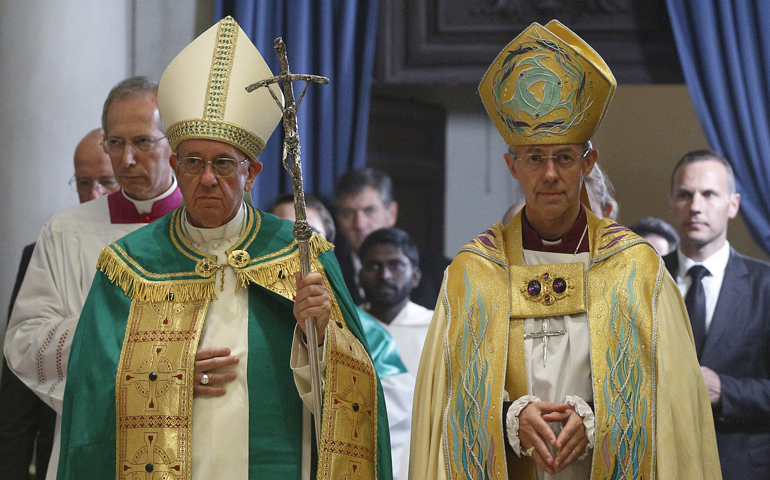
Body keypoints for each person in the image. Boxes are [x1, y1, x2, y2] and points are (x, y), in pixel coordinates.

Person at [56, 17, 391, 480]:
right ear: (175, 165)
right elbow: (89, 391)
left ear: (251, 173)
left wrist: (317, 334)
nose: (207, 178)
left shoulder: (300, 253)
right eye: (193, 162)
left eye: (224, 164)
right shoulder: (130, 266)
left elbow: (354, 404)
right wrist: (167, 378)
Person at [410, 20, 720, 480]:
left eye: (565, 157)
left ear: (587, 162)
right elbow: (444, 405)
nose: (550, 174)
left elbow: (676, 403)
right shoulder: (474, 274)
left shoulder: (635, 269)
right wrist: (509, 418)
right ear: (512, 166)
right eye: (535, 157)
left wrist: (599, 417)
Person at [3, 76, 182, 480]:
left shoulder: (207, 225)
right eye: (115, 143)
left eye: (142, 142)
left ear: (172, 141)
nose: (127, 159)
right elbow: (24, 340)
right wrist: (114, 341)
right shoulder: (65, 231)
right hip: (94, 435)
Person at [0, 127, 119, 480]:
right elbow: (16, 389)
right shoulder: (51, 243)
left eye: (105, 181)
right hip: (63, 441)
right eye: (83, 183)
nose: (93, 193)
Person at [271, 194, 413, 480]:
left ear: (329, 247)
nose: (295, 248)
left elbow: (387, 425)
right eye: (283, 234)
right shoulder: (248, 318)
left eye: (310, 236)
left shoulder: (371, 334)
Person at [664, 149, 770, 479]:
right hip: (662, 462)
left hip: (742, 466)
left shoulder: (765, 286)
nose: (696, 206)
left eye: (709, 194)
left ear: (733, 204)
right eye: (685, 194)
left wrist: (724, 390)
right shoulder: (644, 280)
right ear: (672, 203)